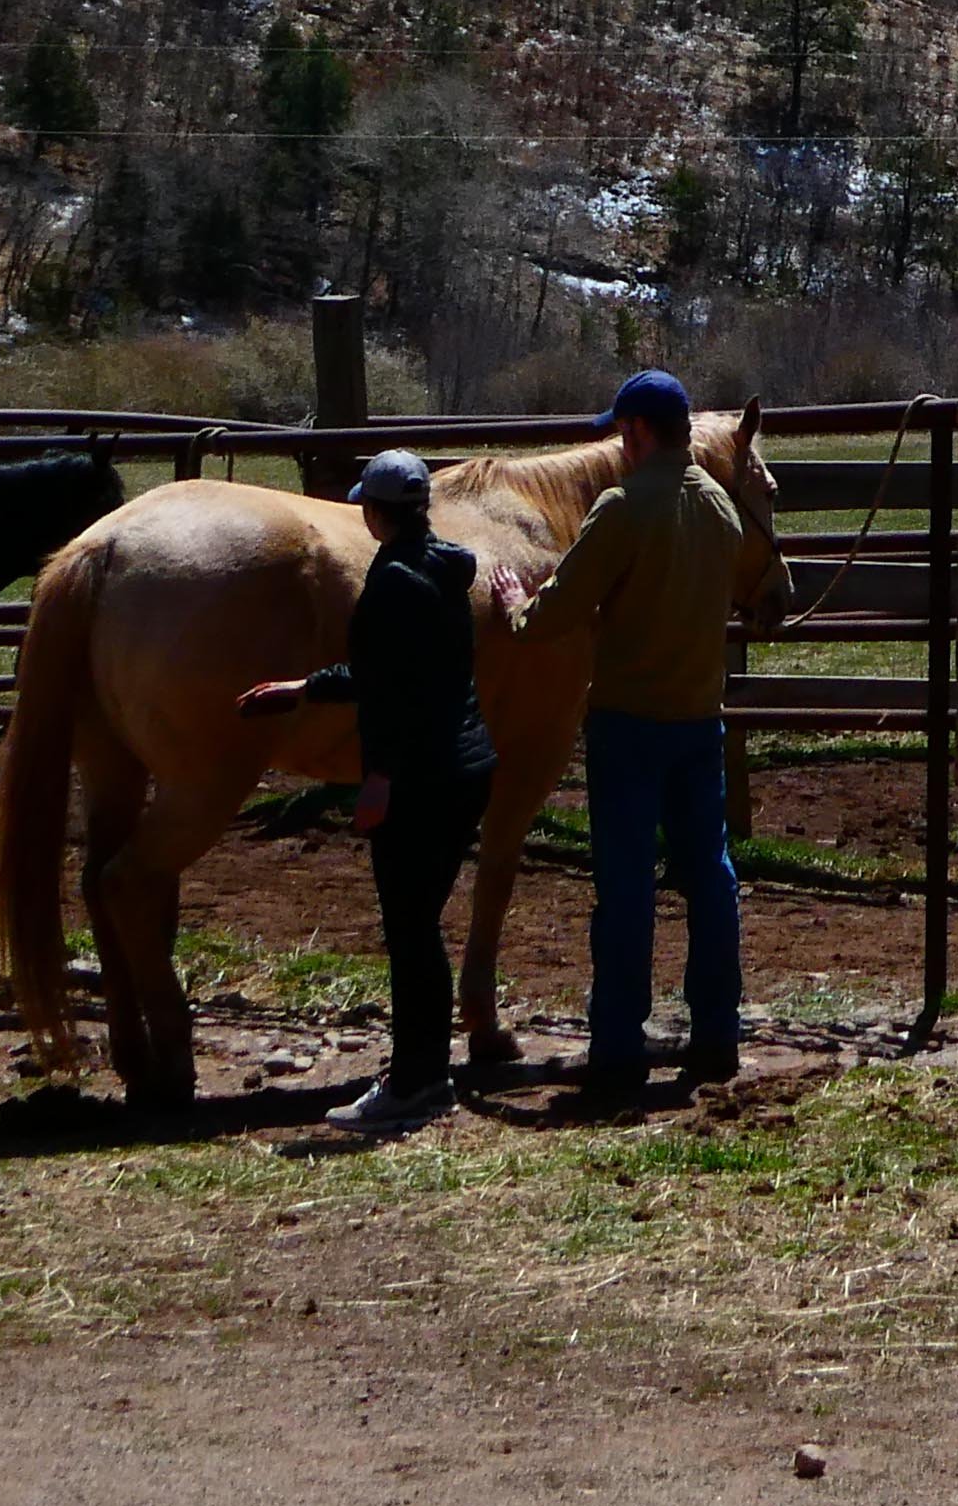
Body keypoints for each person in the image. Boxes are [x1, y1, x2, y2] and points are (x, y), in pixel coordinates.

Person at [510, 370, 755, 1105]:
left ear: (642, 431)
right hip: (697, 720)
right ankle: (717, 1029)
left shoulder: (621, 507)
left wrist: (520, 608)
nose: (620, 442)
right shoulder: (721, 508)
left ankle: (618, 1042)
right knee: (708, 874)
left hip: (628, 722)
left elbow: (561, 608)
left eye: (623, 430)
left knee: (624, 884)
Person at [241, 449, 495, 1130]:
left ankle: (415, 1082)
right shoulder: (448, 568)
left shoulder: (391, 584)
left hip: (420, 776)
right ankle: (426, 1071)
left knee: (410, 932)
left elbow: (389, 693)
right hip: (468, 766)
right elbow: (390, 670)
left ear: (376, 514)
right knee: (421, 928)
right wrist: (304, 688)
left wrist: (377, 780)